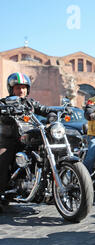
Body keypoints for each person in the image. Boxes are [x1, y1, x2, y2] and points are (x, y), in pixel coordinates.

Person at [0, 73, 62, 206]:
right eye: (18, 88)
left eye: (24, 88)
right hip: (9, 138)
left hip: (28, 136)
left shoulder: (30, 102)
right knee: (2, 160)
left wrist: (52, 115)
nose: (21, 90)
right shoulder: (4, 102)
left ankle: (51, 187)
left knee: (47, 152)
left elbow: (44, 109)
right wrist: (3, 109)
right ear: (11, 89)